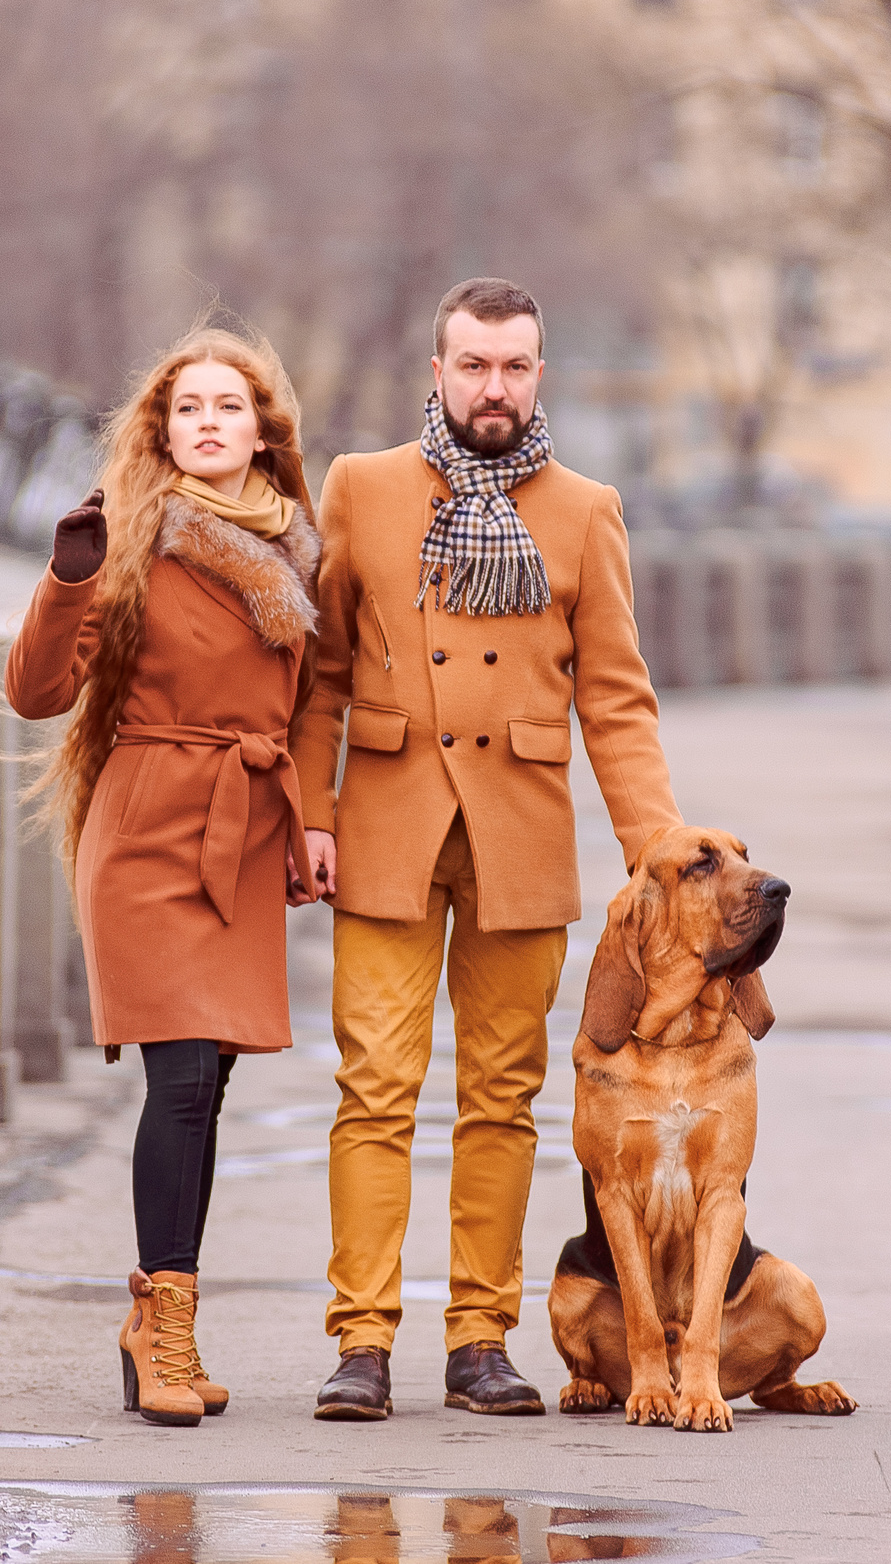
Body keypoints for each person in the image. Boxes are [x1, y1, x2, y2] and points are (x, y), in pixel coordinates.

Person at [290, 277, 682, 1421]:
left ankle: (479, 1338)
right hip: (387, 823)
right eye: (472, 364)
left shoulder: (584, 507)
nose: (492, 387)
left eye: (513, 366)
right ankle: (361, 1340)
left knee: (502, 1096)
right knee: (374, 1088)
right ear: (438, 368)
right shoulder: (362, 488)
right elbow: (314, 674)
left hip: (519, 832)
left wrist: (657, 857)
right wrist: (311, 812)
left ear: (539, 375)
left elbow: (616, 700)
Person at [6, 325, 328, 1428]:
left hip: (240, 830)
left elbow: (309, 711)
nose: (205, 421)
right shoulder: (130, 541)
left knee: (210, 1086)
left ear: (261, 430)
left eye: (226, 406)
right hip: (148, 826)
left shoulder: (298, 546)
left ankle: (157, 1320)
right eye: (185, 407)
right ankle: (170, 1332)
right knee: (182, 1078)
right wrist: (67, 578)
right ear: (163, 431)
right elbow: (35, 691)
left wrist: (308, 824)